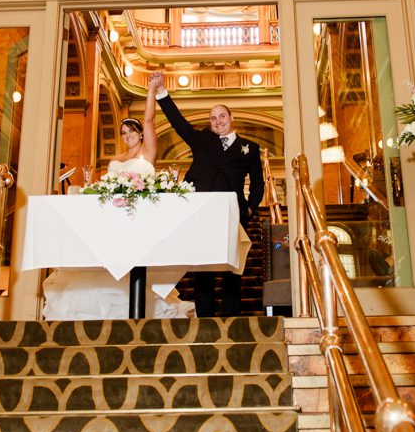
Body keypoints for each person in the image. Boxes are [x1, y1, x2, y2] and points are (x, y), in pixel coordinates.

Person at [42, 82, 194, 320]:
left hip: (138, 217)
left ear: (140, 133)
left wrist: (151, 90)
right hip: (112, 219)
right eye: (123, 133)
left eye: (131, 131)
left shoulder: (148, 151)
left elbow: (149, 120)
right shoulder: (117, 157)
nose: (127, 136)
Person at [150, 71, 264, 317]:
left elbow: (258, 183)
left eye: (222, 116)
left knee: (232, 268)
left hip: (233, 214)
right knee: (203, 269)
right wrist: (161, 93)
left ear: (231, 118)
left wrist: (251, 208)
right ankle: (205, 318)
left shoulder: (250, 148)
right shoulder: (202, 140)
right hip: (202, 213)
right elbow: (178, 122)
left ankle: (232, 319)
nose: (217, 121)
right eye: (213, 118)